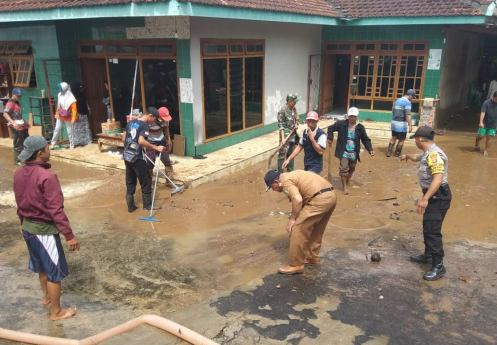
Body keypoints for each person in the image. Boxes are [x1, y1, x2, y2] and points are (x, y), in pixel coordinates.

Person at [13, 136, 80, 320]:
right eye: (47, 148)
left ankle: (47, 298)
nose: (49, 150)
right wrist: (69, 235)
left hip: (28, 228)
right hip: (44, 231)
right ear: (40, 153)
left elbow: (20, 200)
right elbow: (55, 209)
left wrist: (22, 223)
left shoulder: (19, 173)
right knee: (54, 271)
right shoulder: (47, 177)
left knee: (42, 266)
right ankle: (56, 312)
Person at [400, 126, 451, 281]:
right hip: (435, 196)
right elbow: (419, 157)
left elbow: (437, 178)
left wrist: (425, 198)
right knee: (428, 226)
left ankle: (438, 265)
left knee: (432, 230)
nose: (415, 141)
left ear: (420, 139)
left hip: (437, 197)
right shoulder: (429, 153)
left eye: (415, 139)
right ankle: (428, 255)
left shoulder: (434, 155)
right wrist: (408, 156)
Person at [264, 169, 337, 275]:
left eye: (272, 187)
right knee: (317, 229)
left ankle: (295, 264)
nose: (273, 190)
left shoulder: (285, 182)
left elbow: (298, 200)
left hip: (319, 199)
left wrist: (292, 219)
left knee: (297, 228)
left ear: (276, 182)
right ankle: (312, 257)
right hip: (331, 196)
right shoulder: (293, 174)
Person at [122, 107, 166, 212]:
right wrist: (156, 148)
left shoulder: (131, 122)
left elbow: (124, 139)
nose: (153, 122)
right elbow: (141, 141)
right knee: (146, 179)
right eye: (154, 119)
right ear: (150, 115)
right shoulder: (144, 126)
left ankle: (131, 207)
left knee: (130, 179)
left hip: (127, 155)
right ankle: (147, 205)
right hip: (137, 157)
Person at [327, 107, 375, 195]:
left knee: (351, 169)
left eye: (354, 116)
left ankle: (346, 181)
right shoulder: (341, 124)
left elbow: (365, 140)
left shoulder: (360, 128)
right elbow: (330, 128)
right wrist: (330, 138)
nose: (352, 118)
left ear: (357, 117)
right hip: (344, 151)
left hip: (354, 152)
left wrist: (370, 149)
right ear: (348, 116)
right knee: (343, 169)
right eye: (351, 116)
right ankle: (344, 186)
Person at [145, 107, 175, 187]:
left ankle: (170, 181)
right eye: (163, 118)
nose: (165, 120)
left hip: (161, 141)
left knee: (167, 161)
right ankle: (148, 183)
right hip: (151, 143)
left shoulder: (165, 120)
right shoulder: (150, 121)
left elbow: (166, 128)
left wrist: (168, 139)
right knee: (150, 163)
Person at [3, 88, 29, 165]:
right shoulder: (10, 104)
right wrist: (13, 123)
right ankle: (17, 160)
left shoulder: (17, 103)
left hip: (22, 126)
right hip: (16, 127)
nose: (19, 97)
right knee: (18, 143)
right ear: (13, 94)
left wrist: (25, 122)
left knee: (26, 142)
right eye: (17, 96)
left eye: (20, 96)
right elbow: (5, 114)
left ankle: (26, 158)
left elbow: (18, 115)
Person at [387, 89, 416, 157]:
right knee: (401, 139)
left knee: (394, 137)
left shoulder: (397, 101)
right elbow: (407, 115)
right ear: (410, 95)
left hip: (394, 122)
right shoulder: (407, 103)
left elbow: (393, 112)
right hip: (401, 124)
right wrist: (410, 125)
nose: (412, 99)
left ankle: (389, 152)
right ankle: (397, 153)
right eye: (412, 97)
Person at [50, 82, 77, 150]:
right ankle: (53, 143)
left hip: (68, 116)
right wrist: (56, 113)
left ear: (64, 89)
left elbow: (74, 109)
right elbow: (59, 105)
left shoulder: (71, 97)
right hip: (60, 115)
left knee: (70, 131)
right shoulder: (60, 95)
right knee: (57, 129)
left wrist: (73, 118)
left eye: (60, 88)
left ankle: (71, 145)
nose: (59, 90)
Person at [277, 94, 300, 173]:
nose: (295, 103)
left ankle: (290, 172)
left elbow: (297, 118)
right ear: (289, 101)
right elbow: (281, 126)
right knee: (282, 154)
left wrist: (297, 124)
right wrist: (283, 139)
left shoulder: (294, 109)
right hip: (286, 136)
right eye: (294, 102)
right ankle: (280, 174)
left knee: (291, 153)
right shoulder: (282, 111)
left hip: (293, 135)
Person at [475, 91, 497, 156]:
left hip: (494, 123)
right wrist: (481, 122)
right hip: (485, 122)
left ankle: (486, 151)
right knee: (481, 136)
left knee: (490, 137)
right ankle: (477, 140)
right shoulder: (486, 103)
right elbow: (483, 112)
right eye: (496, 99)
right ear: (493, 97)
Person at [71, 82, 92, 147]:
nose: (81, 89)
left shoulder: (82, 94)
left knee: (85, 127)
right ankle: (78, 141)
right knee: (77, 128)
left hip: (84, 112)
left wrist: (89, 109)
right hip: (77, 113)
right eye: (79, 87)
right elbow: (72, 106)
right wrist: (73, 115)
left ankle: (87, 140)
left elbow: (86, 102)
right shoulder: (72, 96)